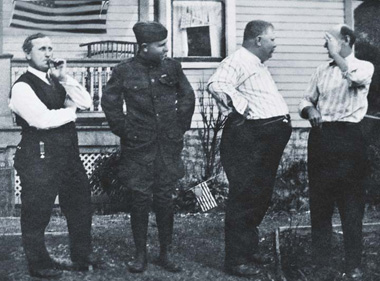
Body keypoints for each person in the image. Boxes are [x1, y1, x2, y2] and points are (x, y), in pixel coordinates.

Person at [101, 21, 195, 274]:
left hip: (167, 146)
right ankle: (140, 254)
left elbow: (187, 96)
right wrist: (125, 130)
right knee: (139, 198)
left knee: (165, 198)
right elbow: (110, 102)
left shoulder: (173, 68)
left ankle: (165, 253)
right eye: (161, 45)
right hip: (138, 147)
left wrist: (180, 125)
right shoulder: (124, 71)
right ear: (144, 47)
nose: (166, 49)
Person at [9, 33, 102, 279]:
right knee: (37, 212)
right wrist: (70, 112)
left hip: (68, 156)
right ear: (28, 53)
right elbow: (41, 120)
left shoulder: (57, 81)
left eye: (51, 48)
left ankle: (81, 256)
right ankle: (38, 264)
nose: (48, 53)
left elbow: (85, 102)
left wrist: (64, 78)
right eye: (41, 49)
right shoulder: (22, 86)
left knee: (80, 206)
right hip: (38, 157)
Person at [207, 20, 292, 277]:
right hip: (250, 138)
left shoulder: (256, 65)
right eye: (272, 39)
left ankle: (249, 249)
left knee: (259, 195)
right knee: (244, 196)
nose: (275, 44)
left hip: (266, 139)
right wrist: (242, 106)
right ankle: (235, 260)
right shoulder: (238, 60)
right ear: (257, 40)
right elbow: (217, 84)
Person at [299, 24, 374, 280]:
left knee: (351, 205)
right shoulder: (321, 70)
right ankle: (321, 264)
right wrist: (310, 110)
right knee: (320, 204)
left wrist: (338, 57)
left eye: (330, 40)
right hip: (321, 139)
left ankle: (353, 264)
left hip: (350, 139)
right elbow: (306, 99)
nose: (325, 46)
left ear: (347, 40)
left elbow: (355, 79)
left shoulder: (364, 66)